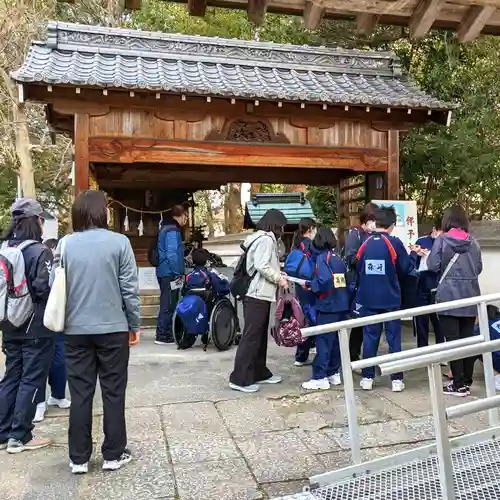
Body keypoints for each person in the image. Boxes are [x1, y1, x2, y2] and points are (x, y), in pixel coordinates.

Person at [54, 190, 140, 474]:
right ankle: (113, 455)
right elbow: (129, 288)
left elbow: (58, 285)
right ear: (103, 212)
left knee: (80, 393)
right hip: (113, 328)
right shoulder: (120, 243)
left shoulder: (65, 245)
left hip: (75, 330)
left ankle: (78, 458)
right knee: (114, 392)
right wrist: (134, 324)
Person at [0, 198, 55, 453]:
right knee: (32, 378)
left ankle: (3, 431)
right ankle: (21, 435)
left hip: (9, 323)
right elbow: (43, 288)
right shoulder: (39, 250)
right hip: (35, 326)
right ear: (36, 221)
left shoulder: (4, 247)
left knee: (11, 375)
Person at [354, 205, 415, 392]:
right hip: (390, 300)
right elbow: (406, 269)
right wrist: (413, 255)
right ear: (392, 224)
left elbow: (357, 267)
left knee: (370, 339)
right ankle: (396, 379)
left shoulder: (365, 243)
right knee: (393, 339)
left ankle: (367, 378)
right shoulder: (394, 243)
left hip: (368, 300)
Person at [229, 209, 288, 393]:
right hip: (256, 294)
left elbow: (263, 265)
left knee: (260, 336)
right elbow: (262, 266)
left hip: (258, 294)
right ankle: (239, 378)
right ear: (275, 225)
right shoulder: (266, 240)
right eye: (282, 226)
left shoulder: (259, 238)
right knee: (251, 336)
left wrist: (279, 273)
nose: (283, 230)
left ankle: (259, 371)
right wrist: (278, 279)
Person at [427, 205, 482, 397]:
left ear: (447, 220)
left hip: (448, 297)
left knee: (452, 341)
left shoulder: (442, 240)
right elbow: (479, 268)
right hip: (471, 296)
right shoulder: (473, 242)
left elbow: (432, 265)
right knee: (467, 340)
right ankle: (466, 380)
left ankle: (458, 385)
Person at [302, 227, 350, 390]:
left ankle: (320, 376)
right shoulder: (337, 258)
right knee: (337, 341)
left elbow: (323, 281)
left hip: (328, 305)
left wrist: (311, 285)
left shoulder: (322, 258)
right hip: (342, 304)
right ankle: (333, 373)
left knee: (323, 341)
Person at [33, 238, 71, 423]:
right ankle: (38, 402)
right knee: (42, 360)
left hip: (52, 313)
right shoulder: (42, 253)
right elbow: (44, 286)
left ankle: (57, 394)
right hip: (42, 314)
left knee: (59, 357)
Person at [343, 203, 378, 363]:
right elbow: (350, 258)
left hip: (372, 283)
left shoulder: (375, 235)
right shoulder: (355, 234)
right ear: (366, 220)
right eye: (372, 220)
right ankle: (352, 354)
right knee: (359, 321)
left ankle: (362, 355)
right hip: (359, 283)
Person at [284, 217, 318, 367]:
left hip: (299, 286)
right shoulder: (312, 245)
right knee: (312, 318)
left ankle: (300, 356)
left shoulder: (296, 245)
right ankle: (311, 350)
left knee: (302, 318)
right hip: (311, 286)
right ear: (310, 229)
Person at [155, 205, 188, 345]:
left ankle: (164, 332)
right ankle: (163, 335)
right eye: (185, 216)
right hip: (170, 273)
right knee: (168, 304)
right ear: (180, 215)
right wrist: (178, 273)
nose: (186, 220)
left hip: (165, 271)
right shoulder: (172, 230)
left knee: (167, 303)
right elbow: (172, 254)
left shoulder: (165, 227)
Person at [410, 219, 444, 348]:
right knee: (421, 320)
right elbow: (413, 262)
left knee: (438, 321)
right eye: (440, 232)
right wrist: (418, 253)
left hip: (437, 283)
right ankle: (422, 350)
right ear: (434, 230)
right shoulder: (422, 241)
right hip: (422, 283)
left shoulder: (445, 242)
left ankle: (441, 349)